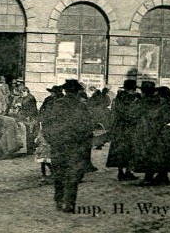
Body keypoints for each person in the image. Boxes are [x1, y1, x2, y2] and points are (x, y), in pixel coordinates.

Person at [40, 79, 93, 213]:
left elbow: (46, 123)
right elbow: (88, 127)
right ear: (77, 92)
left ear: (65, 91)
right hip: (75, 146)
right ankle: (69, 202)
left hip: (58, 145)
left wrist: (51, 140)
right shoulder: (81, 106)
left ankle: (58, 200)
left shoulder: (56, 104)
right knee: (72, 175)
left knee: (59, 173)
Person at [131, 80, 170, 185]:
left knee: (146, 153)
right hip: (159, 131)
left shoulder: (142, 102)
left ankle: (149, 177)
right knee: (158, 153)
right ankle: (162, 175)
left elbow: (132, 114)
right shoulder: (161, 101)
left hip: (145, 131)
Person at [106, 79, 140, 181]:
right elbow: (135, 113)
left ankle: (120, 172)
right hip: (131, 127)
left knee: (120, 149)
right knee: (131, 149)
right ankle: (128, 172)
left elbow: (116, 112)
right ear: (133, 89)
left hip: (119, 127)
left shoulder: (118, 98)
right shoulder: (135, 99)